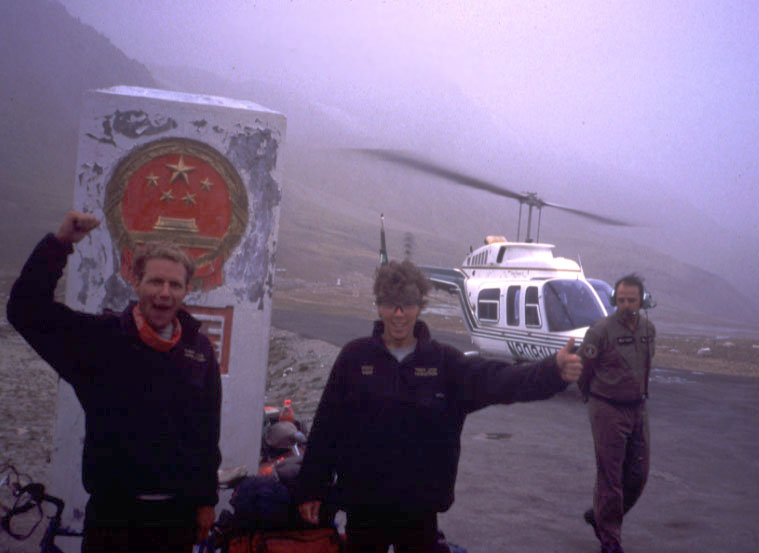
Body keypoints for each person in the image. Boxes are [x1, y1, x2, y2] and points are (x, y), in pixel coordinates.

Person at [295, 260, 582, 553]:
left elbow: (502, 380)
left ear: (420, 306)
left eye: (407, 304)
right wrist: (311, 489)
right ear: (379, 306)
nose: (398, 314)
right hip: (365, 505)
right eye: (391, 304)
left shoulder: (445, 362)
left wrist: (552, 371)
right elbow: (327, 426)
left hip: (420, 508)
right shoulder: (354, 358)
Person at [6, 211, 222, 553]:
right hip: (113, 519)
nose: (164, 293)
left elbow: (207, 432)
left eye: (175, 284)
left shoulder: (199, 350)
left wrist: (206, 502)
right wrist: (60, 244)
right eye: (155, 281)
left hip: (176, 520)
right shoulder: (98, 341)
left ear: (186, 291)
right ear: (136, 282)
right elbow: (25, 309)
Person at [578, 274, 656, 553]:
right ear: (614, 300)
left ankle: (600, 515)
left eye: (631, 300)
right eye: (620, 299)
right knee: (610, 476)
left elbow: (645, 366)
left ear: (641, 300)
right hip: (607, 408)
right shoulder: (600, 331)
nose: (625, 305)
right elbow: (583, 370)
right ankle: (610, 539)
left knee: (638, 475)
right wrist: (592, 398)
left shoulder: (648, 329)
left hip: (638, 408)